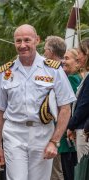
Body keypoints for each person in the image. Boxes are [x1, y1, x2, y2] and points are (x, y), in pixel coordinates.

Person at [0, 24, 76, 180]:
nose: (22, 45)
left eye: (27, 40)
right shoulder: (5, 72)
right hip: (13, 133)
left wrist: (54, 141)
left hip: (42, 134)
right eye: (18, 41)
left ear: (37, 40)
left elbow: (65, 107)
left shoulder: (53, 70)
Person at [44, 35, 67, 180]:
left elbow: (63, 107)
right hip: (49, 129)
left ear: (51, 52)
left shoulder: (58, 73)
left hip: (54, 128)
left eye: (45, 49)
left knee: (55, 170)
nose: (44, 52)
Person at [67, 38, 89, 162]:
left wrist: (71, 126)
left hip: (85, 131)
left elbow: (84, 105)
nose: (77, 57)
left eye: (80, 53)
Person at [60, 48, 80, 180]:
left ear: (77, 62)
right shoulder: (77, 78)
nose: (63, 61)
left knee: (70, 173)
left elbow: (68, 105)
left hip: (68, 135)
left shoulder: (72, 79)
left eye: (67, 58)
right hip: (70, 134)